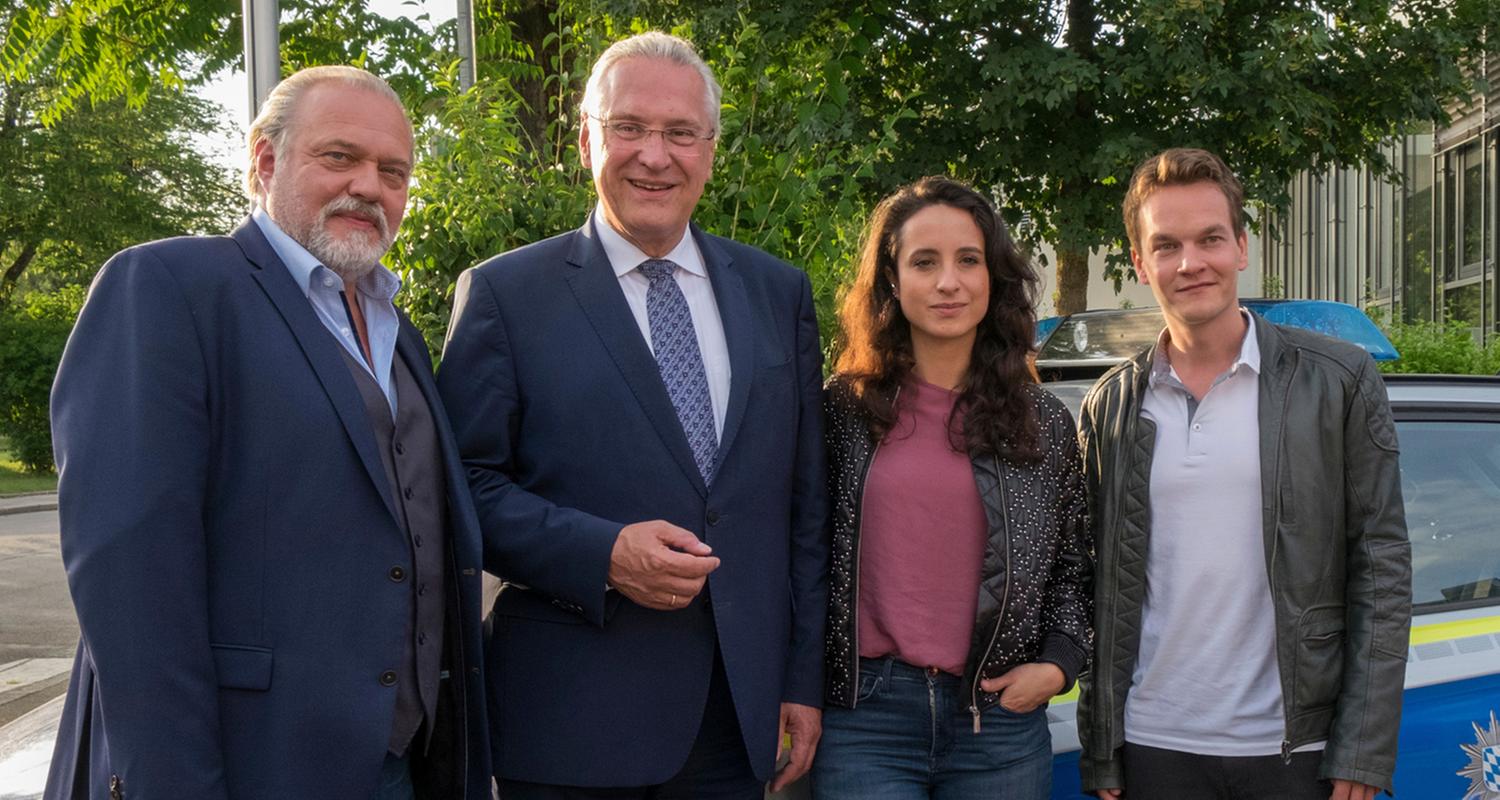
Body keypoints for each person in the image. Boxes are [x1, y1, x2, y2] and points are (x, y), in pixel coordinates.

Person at [44, 66, 490, 800]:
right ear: (265, 161)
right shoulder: (168, 287)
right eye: (339, 156)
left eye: (393, 171)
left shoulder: (399, 331)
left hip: (403, 761)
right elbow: (132, 587)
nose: (369, 187)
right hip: (248, 763)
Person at [436, 31, 826, 799]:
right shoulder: (505, 296)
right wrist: (602, 552)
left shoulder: (778, 293)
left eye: (681, 132)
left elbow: (805, 506)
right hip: (570, 723)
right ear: (587, 141)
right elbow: (461, 490)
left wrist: (801, 678)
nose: (655, 155)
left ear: (710, 151)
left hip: (736, 719)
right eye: (629, 128)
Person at [1075, 148, 1411, 800]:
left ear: (1242, 247)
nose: (1190, 263)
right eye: (1166, 245)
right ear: (1140, 263)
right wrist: (1102, 749)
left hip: (1296, 750)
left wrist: (1362, 748)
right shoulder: (1110, 405)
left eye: (1210, 239)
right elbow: (1094, 585)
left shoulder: (1338, 380)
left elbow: (1382, 566)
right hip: (1154, 746)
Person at [811, 176, 1091, 799]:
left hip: (999, 722)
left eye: (968, 260)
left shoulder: (1042, 423)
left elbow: (1074, 568)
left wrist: (1058, 664)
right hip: (866, 718)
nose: (948, 282)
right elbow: (801, 557)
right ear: (891, 280)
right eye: (924, 262)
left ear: (994, 277)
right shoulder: (843, 412)